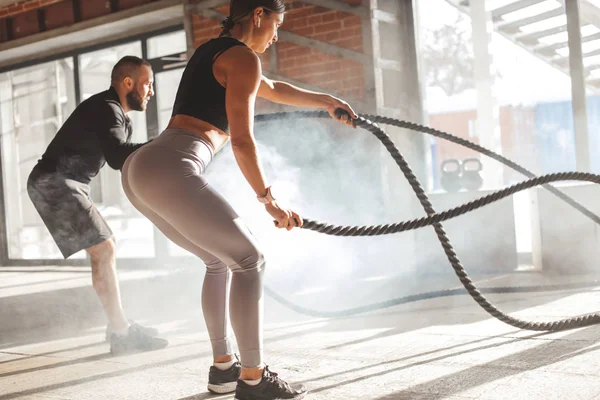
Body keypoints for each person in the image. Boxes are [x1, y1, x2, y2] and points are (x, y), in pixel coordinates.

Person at [121, 1, 357, 398]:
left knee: (219, 261)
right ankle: (253, 377)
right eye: (277, 25)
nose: (278, 35)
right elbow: (244, 140)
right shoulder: (244, 57)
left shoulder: (213, 51)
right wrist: (269, 200)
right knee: (250, 260)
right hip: (171, 164)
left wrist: (325, 100)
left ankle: (223, 369)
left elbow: (275, 89)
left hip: (141, 169)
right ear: (260, 14)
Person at [27, 56, 168, 356]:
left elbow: (121, 157)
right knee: (104, 249)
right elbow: (118, 157)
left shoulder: (113, 112)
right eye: (147, 84)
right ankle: (121, 334)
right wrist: (163, 144)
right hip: (55, 181)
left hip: (65, 182)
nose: (151, 91)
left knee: (106, 246)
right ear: (128, 83)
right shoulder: (108, 109)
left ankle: (117, 324)